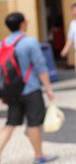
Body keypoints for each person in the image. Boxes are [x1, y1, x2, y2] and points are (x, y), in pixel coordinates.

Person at [0, 12, 57, 163]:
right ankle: (39, 156)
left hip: (12, 91)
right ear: (22, 24)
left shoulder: (3, 44)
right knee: (34, 124)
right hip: (31, 90)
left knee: (10, 125)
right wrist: (49, 88)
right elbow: (40, 67)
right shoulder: (30, 42)